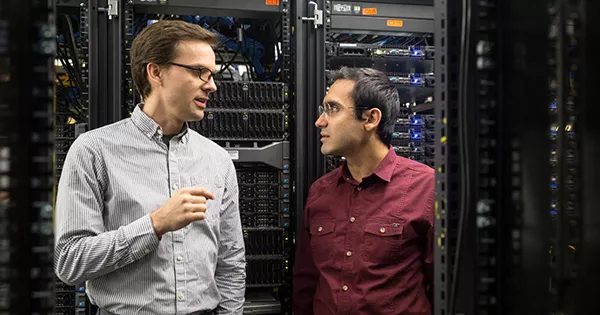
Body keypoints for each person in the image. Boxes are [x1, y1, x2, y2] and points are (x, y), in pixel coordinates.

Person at [54, 20, 246, 315]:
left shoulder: (216, 160)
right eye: (198, 72)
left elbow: (230, 261)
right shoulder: (94, 151)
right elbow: (70, 262)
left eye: (211, 74)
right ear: (155, 72)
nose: (212, 85)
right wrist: (154, 225)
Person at [293, 67, 435, 314]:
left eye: (332, 109)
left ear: (370, 119)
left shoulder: (427, 188)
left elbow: (447, 288)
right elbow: (306, 283)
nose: (320, 122)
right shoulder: (320, 192)